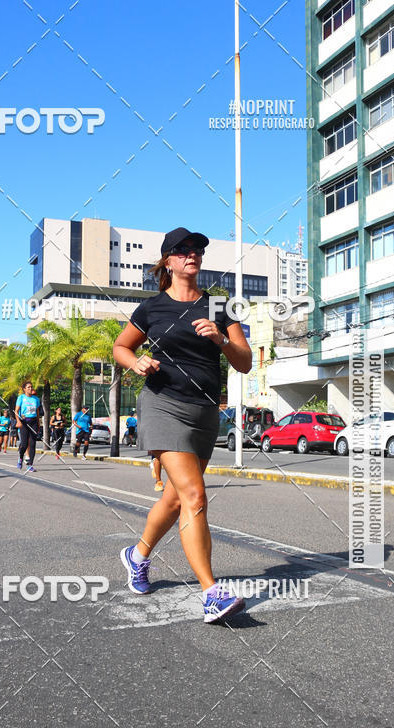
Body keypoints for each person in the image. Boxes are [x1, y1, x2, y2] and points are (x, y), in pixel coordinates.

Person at [113, 227, 252, 624]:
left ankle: (137, 555)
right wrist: (135, 362)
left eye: (197, 250)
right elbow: (121, 346)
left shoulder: (221, 307)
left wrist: (222, 340)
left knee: (175, 499)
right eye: (183, 250)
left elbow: (244, 362)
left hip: (205, 412)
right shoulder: (151, 309)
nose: (192, 254)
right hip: (163, 404)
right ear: (169, 261)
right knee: (195, 496)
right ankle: (211, 592)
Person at [15, 381, 41, 472]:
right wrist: (18, 421)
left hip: (33, 422)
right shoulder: (21, 397)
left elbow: (37, 413)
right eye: (28, 387)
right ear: (24, 389)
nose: (30, 388)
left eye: (31, 387)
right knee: (24, 444)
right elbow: (16, 411)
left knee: (33, 444)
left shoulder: (36, 399)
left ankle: (30, 464)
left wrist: (38, 424)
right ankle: (21, 458)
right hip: (24, 422)